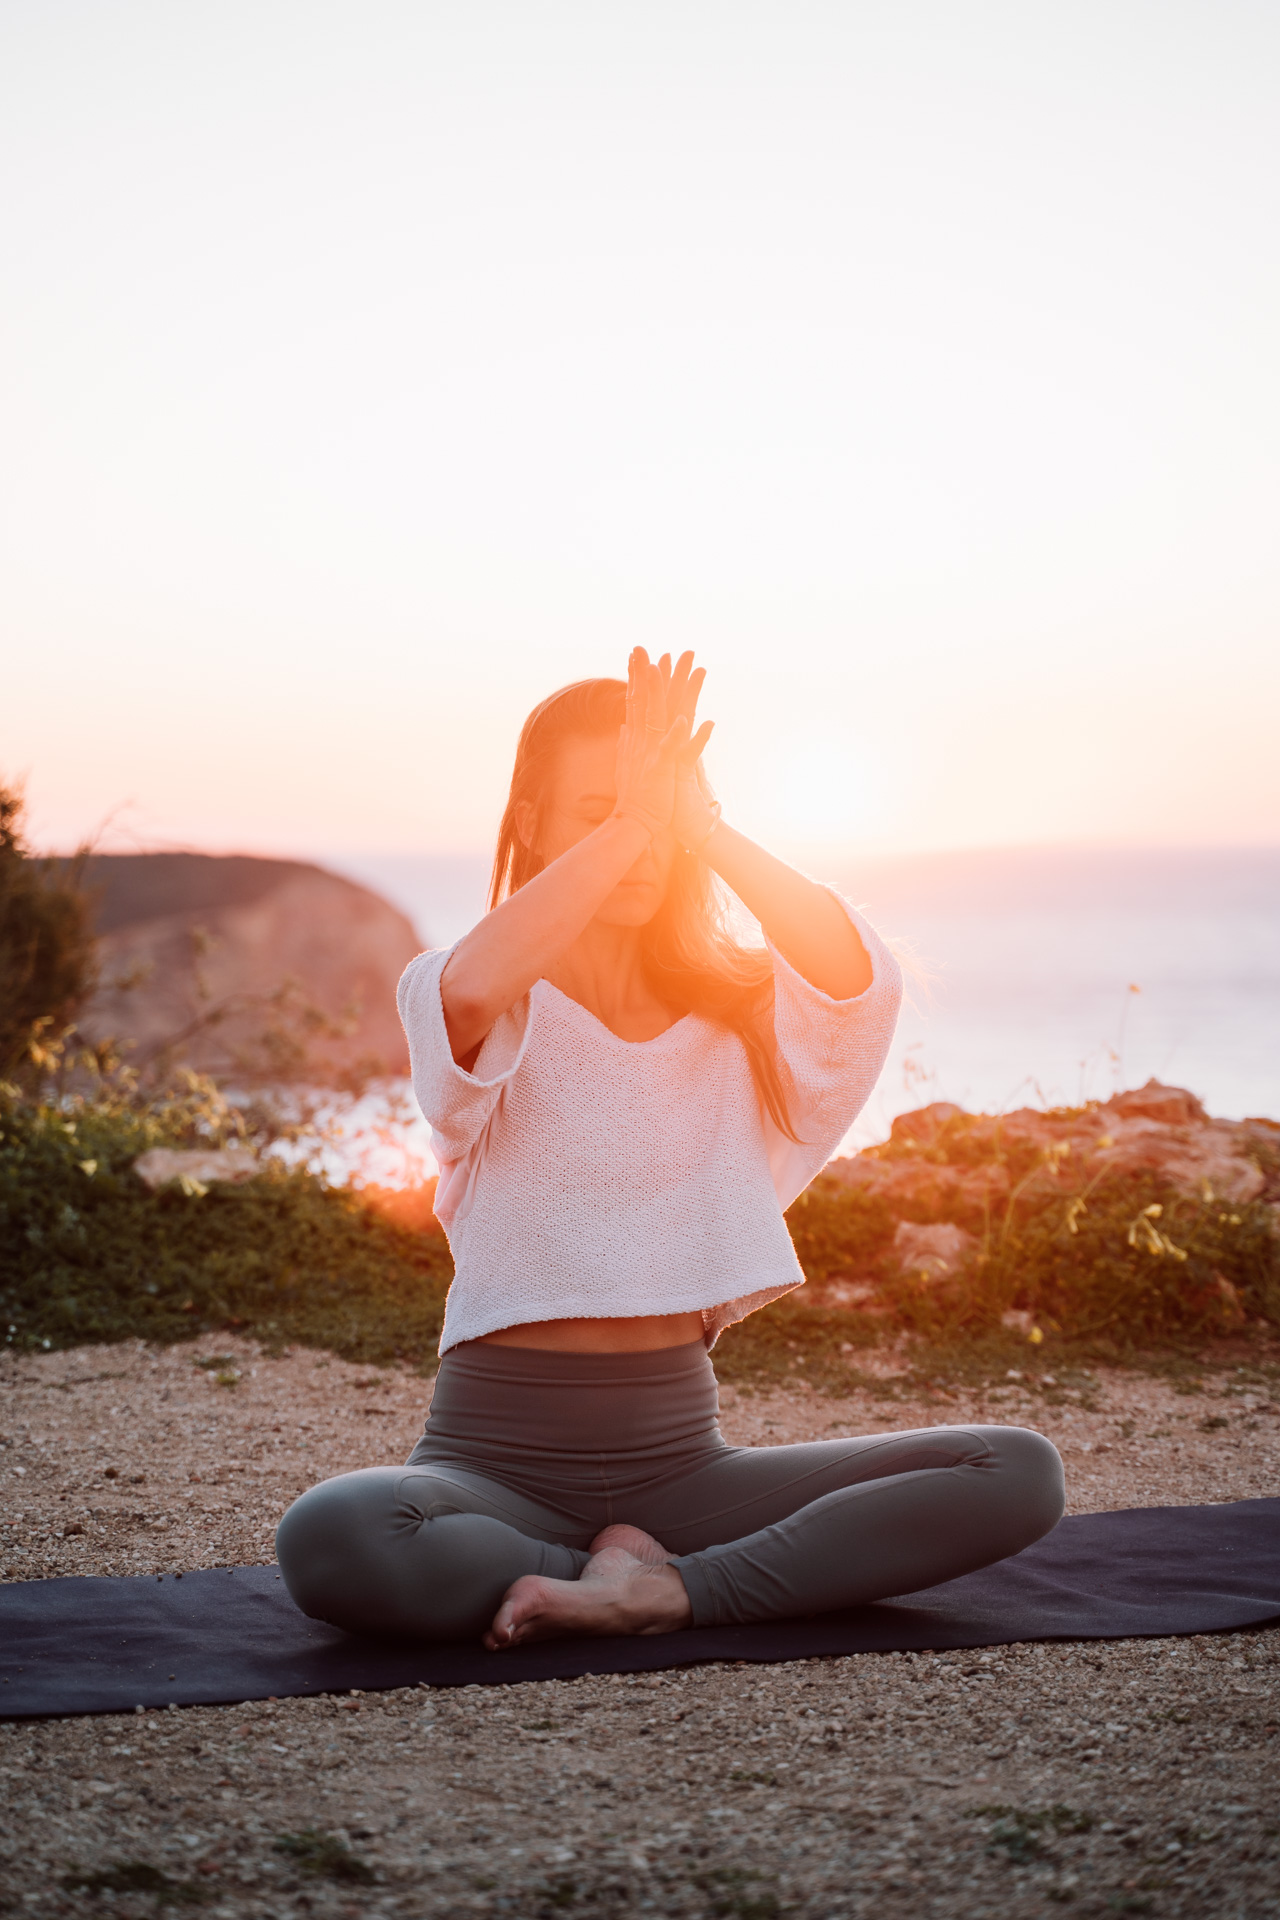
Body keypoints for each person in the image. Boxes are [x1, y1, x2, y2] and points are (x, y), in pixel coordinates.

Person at [276, 651, 1063, 1646]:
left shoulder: (737, 1010)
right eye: (597, 810)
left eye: (657, 814)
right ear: (530, 823)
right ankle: (619, 1574)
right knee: (335, 1535)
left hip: (682, 1469)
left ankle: (664, 1588)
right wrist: (637, 823)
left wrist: (701, 823)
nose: (641, 847)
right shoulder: (468, 991)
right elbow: (472, 992)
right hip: (489, 1464)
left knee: (1014, 1471)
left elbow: (854, 975)